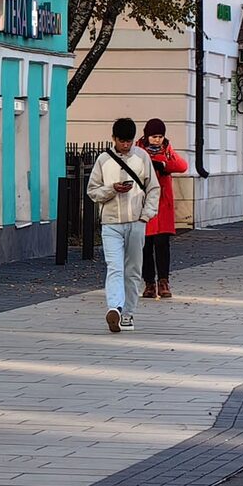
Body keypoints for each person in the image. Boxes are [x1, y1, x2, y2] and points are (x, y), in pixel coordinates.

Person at [86, 117, 161, 333]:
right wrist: (112, 189)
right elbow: (92, 191)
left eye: (129, 141)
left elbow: (153, 188)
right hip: (111, 223)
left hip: (136, 221)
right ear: (114, 138)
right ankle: (115, 308)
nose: (125, 145)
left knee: (133, 270)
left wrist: (146, 214)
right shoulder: (103, 160)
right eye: (122, 141)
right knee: (115, 267)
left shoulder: (142, 157)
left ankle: (128, 313)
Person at [138, 118, 187, 299]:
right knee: (146, 246)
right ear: (146, 136)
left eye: (160, 136)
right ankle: (149, 283)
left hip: (163, 205)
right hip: (144, 204)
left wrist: (164, 165)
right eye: (154, 136)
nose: (157, 140)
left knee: (162, 244)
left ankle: (163, 281)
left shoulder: (167, 150)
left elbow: (182, 166)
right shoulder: (138, 151)